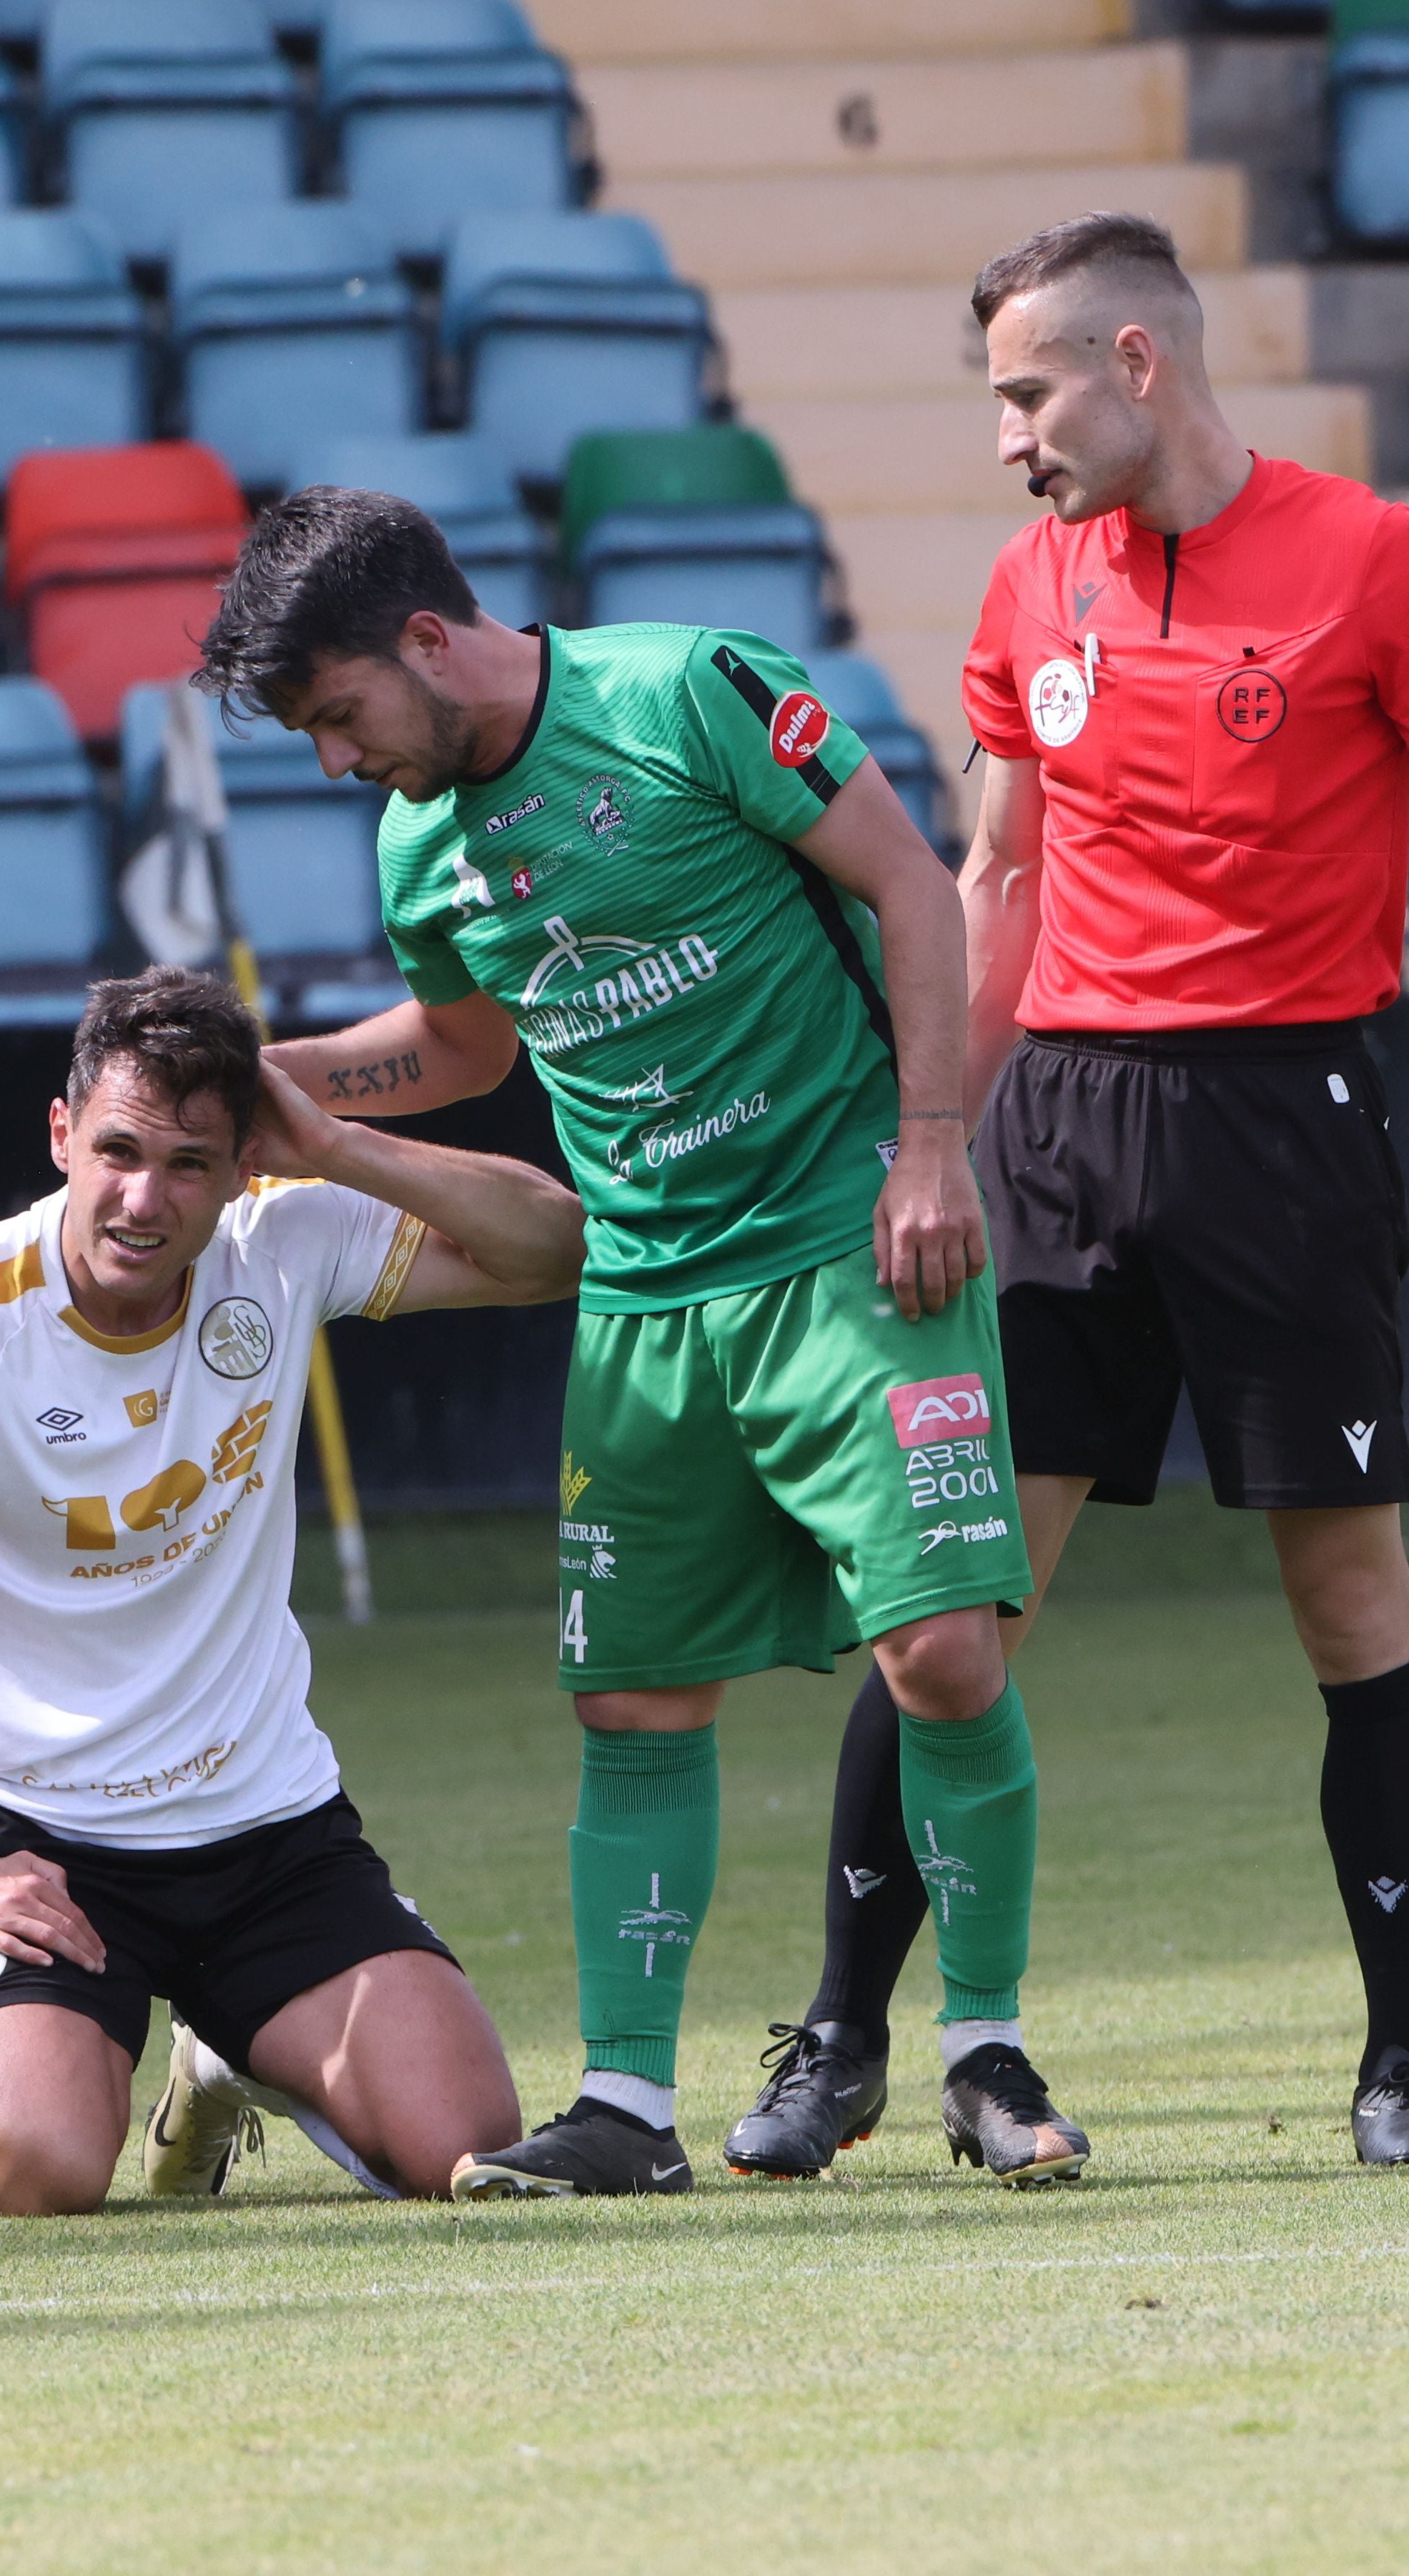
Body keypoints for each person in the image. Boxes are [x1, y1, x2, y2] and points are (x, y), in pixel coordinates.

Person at [207, 491, 1089, 2196]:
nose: (335, 760)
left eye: (339, 716)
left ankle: (985, 2050)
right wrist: (265, 1084)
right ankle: (625, 2104)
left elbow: (917, 889)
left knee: (946, 1656)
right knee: (631, 1698)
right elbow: (466, 1047)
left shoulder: (695, 691)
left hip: (851, 1241)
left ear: (430, 639)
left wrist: (927, 1146)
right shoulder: (418, 841)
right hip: (645, 1292)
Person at [722, 210, 1409, 2178]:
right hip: (1055, 1126)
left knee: (1349, 1593)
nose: (1010, 438)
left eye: (1030, 391)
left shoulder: (1377, 563)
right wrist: (932, 1131)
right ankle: (849, 2040)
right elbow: (998, 879)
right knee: (951, 1608)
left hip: (1286, 1120)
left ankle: (1404, 2068)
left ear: (1140, 364)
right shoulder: (1027, 584)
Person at [0, 966, 584, 2216]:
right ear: (62, 1136)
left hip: (267, 1834)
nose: (143, 1200)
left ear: (242, 1167)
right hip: (37, 1836)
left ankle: (229, 2055)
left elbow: (551, 1247)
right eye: (117, 1152)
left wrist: (331, 1144)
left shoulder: (283, 1240)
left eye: (193, 1165)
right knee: (37, 2175)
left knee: (467, 2143)